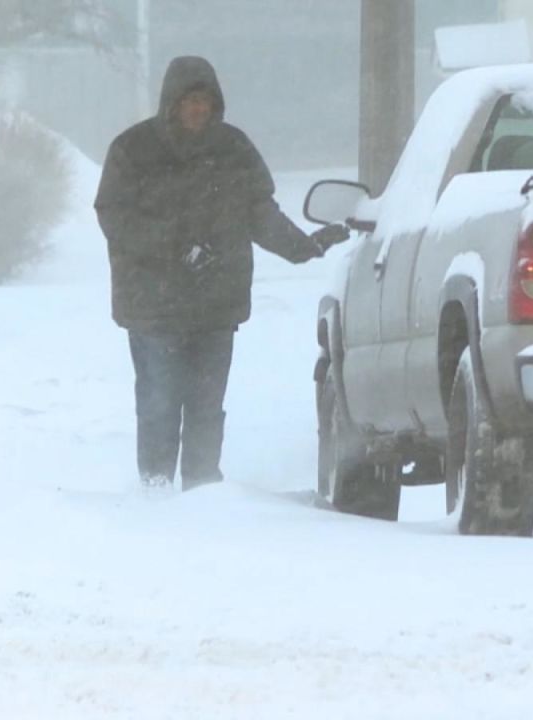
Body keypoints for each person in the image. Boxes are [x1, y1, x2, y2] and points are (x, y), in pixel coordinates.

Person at [94, 56, 348, 491]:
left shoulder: (234, 150)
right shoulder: (133, 150)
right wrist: (175, 246)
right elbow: (114, 216)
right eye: (190, 100)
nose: (198, 109)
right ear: (171, 103)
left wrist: (303, 246)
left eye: (205, 100)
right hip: (153, 307)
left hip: (216, 305)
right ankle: (154, 488)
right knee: (159, 403)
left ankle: (203, 491)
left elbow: (259, 212)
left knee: (207, 405)